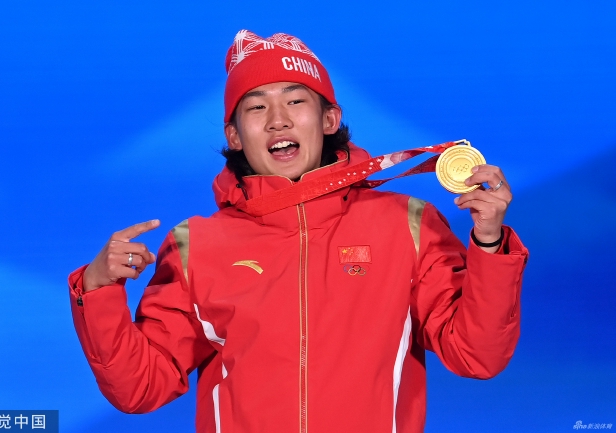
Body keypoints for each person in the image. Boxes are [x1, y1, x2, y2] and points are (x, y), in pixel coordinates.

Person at [69, 30, 529, 433]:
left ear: (329, 119)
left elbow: (476, 355)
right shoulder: (197, 246)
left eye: (295, 100)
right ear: (234, 135)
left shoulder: (406, 224)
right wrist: (99, 288)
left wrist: (489, 243)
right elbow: (140, 388)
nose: (278, 119)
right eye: (256, 106)